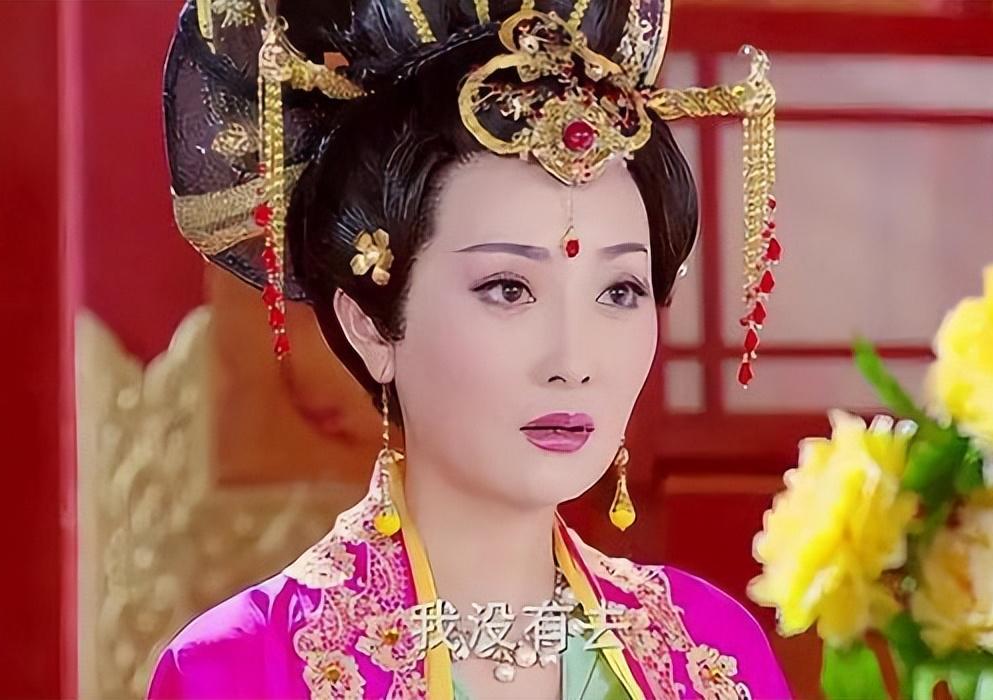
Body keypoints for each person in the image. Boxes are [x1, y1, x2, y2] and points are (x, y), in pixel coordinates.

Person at [150, 0, 789, 697]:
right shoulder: (243, 669)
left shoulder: (710, 653)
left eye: (619, 291)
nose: (574, 363)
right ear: (372, 326)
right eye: (508, 289)